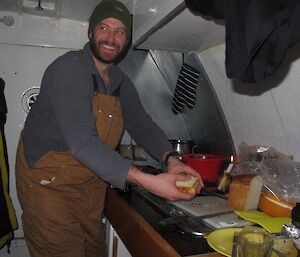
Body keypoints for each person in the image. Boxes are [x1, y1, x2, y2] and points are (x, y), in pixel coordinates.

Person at [15, 1, 204, 257]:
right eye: (104, 27)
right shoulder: (68, 69)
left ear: (126, 41)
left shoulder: (119, 81)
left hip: (90, 186)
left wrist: (172, 159)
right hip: (49, 187)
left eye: (120, 31)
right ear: (91, 32)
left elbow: (142, 125)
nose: (111, 38)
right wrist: (147, 180)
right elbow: (83, 143)